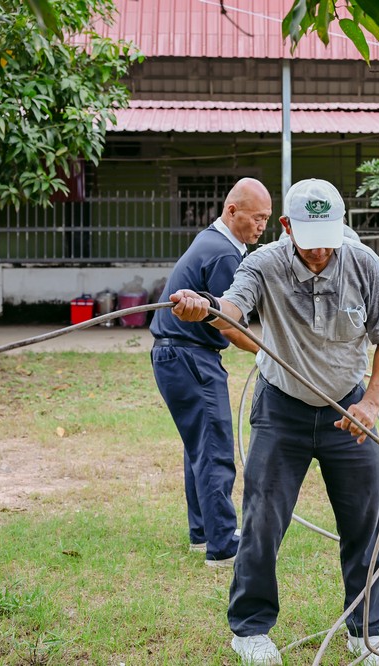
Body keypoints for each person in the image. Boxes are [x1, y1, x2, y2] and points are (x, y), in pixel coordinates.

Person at [167, 178, 379, 666]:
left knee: (367, 522)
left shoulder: (364, 263)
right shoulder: (263, 263)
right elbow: (233, 309)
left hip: (348, 410)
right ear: (286, 226)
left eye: (328, 238)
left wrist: (372, 403)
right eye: (308, 237)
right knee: (262, 520)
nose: (319, 251)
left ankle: (367, 630)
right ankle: (250, 629)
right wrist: (206, 310)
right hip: (282, 410)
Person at [150, 177, 269, 567]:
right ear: (231, 211)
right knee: (215, 448)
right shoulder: (223, 254)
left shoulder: (213, 242)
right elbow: (230, 325)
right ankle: (222, 544)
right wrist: (270, 353)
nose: (261, 226)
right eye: (256, 217)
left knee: (199, 447)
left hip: (174, 354)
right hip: (191, 357)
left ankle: (203, 533)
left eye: (266, 219)